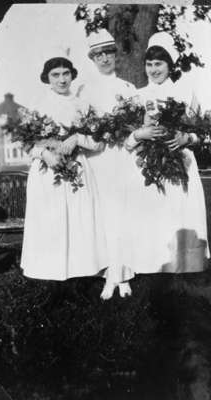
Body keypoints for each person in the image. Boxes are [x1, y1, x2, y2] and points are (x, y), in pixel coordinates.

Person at [123, 31, 209, 276]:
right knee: (151, 215)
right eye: (149, 64)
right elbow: (126, 142)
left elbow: (202, 133)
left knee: (178, 213)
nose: (153, 69)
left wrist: (186, 138)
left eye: (158, 63)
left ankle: (182, 266)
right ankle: (150, 265)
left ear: (170, 65)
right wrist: (140, 134)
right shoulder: (138, 96)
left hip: (179, 163)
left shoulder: (185, 92)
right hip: (146, 165)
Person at [21, 50, 108, 282]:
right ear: (46, 78)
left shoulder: (83, 104)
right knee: (51, 220)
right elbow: (26, 143)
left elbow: (98, 143)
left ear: (72, 75)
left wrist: (78, 139)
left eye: (66, 73)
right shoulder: (37, 104)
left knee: (79, 218)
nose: (61, 79)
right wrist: (45, 155)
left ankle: (81, 271)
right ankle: (49, 271)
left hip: (77, 170)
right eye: (55, 74)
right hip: (46, 171)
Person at [80, 29, 136, 299]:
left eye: (107, 53)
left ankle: (123, 276)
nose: (103, 59)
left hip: (122, 157)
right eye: (98, 55)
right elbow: (81, 125)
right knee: (103, 217)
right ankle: (108, 274)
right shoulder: (84, 89)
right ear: (92, 59)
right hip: (97, 159)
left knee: (124, 215)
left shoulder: (128, 89)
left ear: (115, 55)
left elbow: (135, 126)